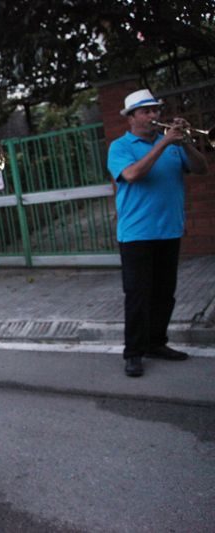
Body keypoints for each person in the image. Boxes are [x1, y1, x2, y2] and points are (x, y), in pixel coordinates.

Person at [107, 89, 208, 378]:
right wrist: (164, 143)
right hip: (136, 234)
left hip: (169, 230)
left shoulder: (174, 145)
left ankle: (156, 343)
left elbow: (200, 168)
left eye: (156, 110)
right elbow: (132, 175)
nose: (153, 116)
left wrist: (186, 143)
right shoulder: (120, 147)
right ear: (131, 118)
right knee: (138, 295)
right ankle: (134, 352)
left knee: (165, 294)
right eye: (146, 111)